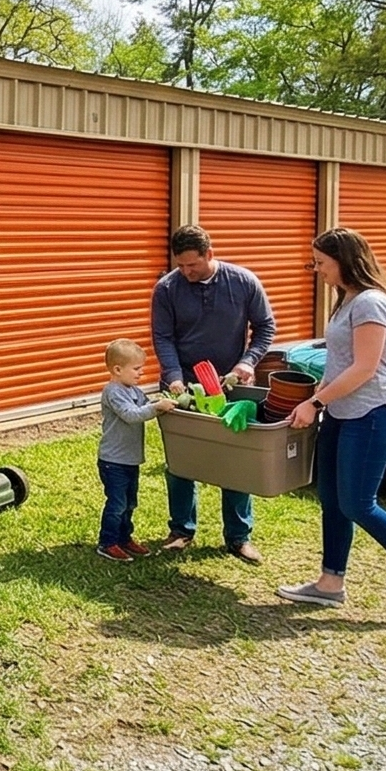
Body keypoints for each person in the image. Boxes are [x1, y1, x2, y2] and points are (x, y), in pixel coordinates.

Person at [277, 228, 386, 625]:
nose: (316, 270)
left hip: (373, 415)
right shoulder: (347, 301)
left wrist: (315, 402)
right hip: (342, 413)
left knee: (359, 504)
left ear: (345, 260)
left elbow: (365, 368)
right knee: (332, 499)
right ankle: (330, 583)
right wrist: (318, 397)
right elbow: (341, 362)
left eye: (321, 262)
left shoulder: (372, 303)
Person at [151, 225, 276, 564]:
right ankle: (181, 530)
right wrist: (174, 378)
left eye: (192, 265)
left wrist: (247, 363)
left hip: (230, 387)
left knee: (235, 458)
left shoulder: (244, 282)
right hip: (182, 388)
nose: (186, 272)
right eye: (181, 265)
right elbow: (163, 337)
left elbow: (266, 327)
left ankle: (238, 537)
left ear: (209, 254)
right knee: (181, 460)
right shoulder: (167, 289)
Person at [96, 338, 175, 562]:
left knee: (130, 502)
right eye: (137, 369)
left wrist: (164, 401)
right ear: (118, 369)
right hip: (113, 461)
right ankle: (107, 542)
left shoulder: (134, 390)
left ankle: (124, 538)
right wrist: (156, 407)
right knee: (117, 503)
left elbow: (146, 405)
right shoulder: (113, 391)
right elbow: (132, 415)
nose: (141, 373)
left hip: (130, 460)